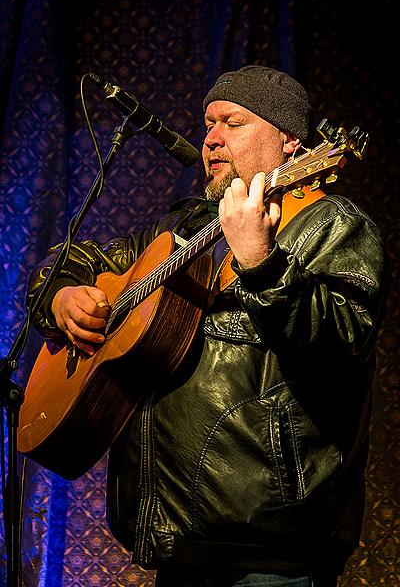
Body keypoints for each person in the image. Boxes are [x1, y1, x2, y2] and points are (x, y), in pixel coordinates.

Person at [26, 66, 389, 586]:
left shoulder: (332, 226)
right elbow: (71, 260)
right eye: (208, 124)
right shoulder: (184, 227)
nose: (211, 138)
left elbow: (342, 338)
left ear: (289, 143)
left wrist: (263, 264)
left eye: (233, 123)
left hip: (270, 558)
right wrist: (60, 296)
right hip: (176, 547)